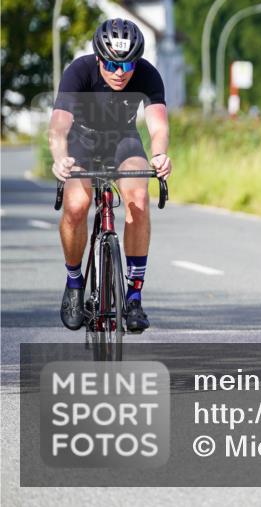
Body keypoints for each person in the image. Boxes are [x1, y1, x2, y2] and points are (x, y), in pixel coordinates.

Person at [48, 18, 172, 333]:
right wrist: (60, 159)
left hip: (122, 139)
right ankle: (75, 283)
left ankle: (133, 297)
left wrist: (159, 155)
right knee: (76, 204)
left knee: (139, 199)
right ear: (100, 58)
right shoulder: (79, 71)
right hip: (83, 141)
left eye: (128, 64)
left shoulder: (147, 74)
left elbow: (158, 126)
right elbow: (59, 126)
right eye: (113, 64)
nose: (120, 72)